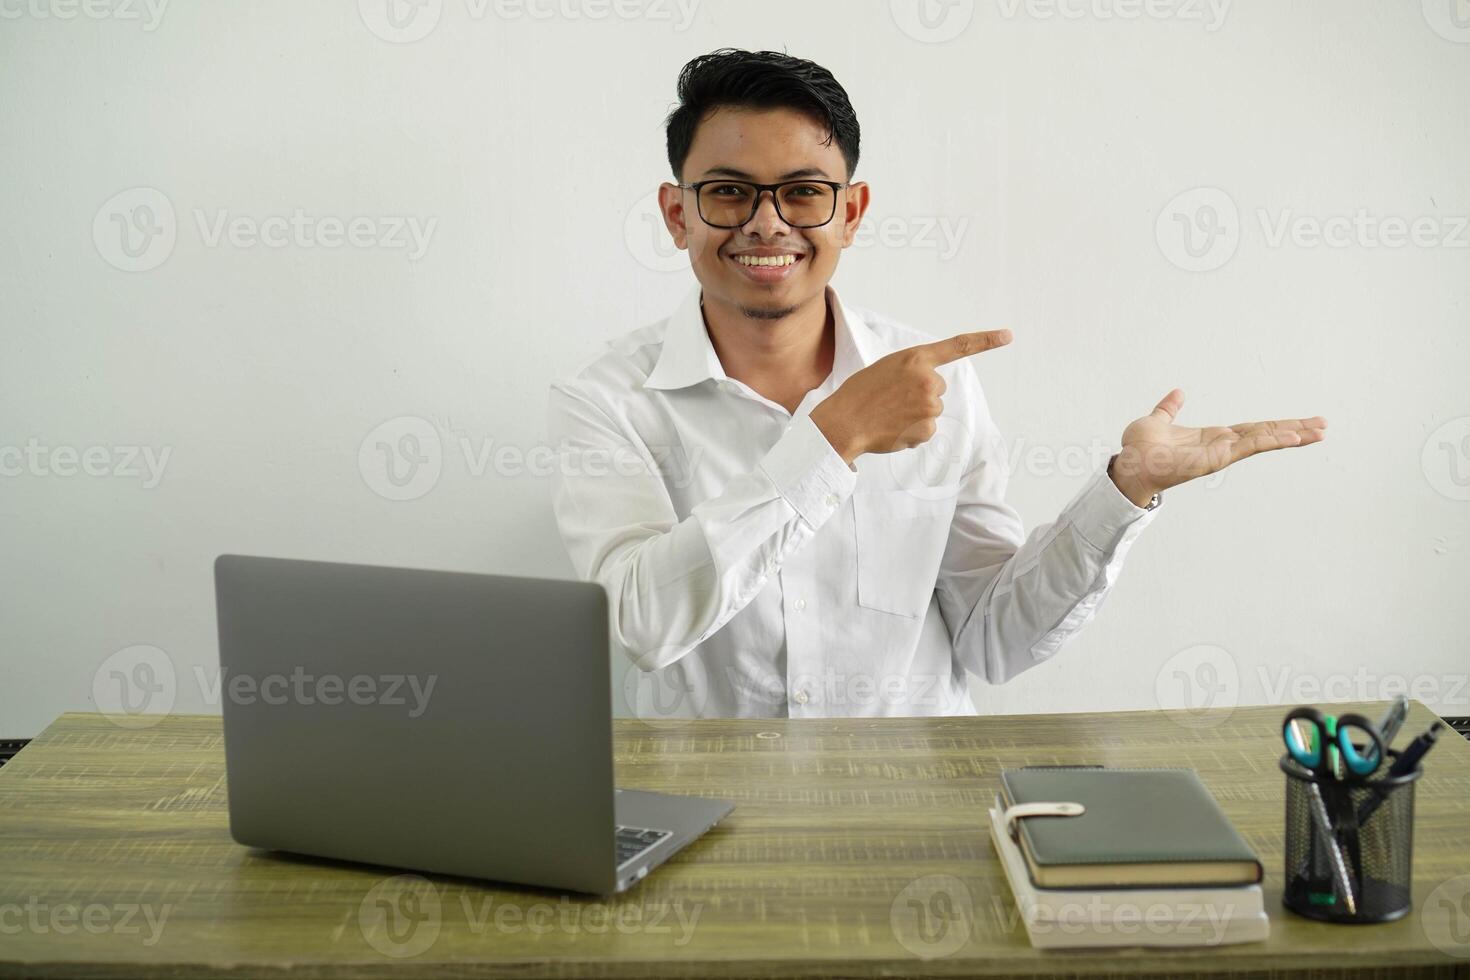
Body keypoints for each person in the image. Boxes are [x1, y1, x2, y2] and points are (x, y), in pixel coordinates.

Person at [547, 48, 1326, 718]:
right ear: (677, 214)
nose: (767, 222)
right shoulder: (606, 401)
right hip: (708, 813)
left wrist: (1123, 491)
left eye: (803, 192)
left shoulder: (934, 381)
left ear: (850, 212)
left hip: (915, 807)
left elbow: (995, 637)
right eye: (727, 191)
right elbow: (637, 623)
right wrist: (833, 439)